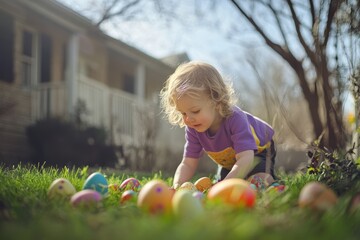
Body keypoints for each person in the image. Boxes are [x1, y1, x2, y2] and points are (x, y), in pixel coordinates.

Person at [160, 61, 278, 190]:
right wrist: (177, 185)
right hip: (230, 160)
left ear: (216, 101)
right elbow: (188, 163)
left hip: (258, 151)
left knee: (258, 179)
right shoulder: (193, 127)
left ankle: (265, 178)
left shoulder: (235, 119)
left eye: (195, 111)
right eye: (183, 113)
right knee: (221, 182)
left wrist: (224, 187)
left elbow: (246, 158)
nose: (188, 119)